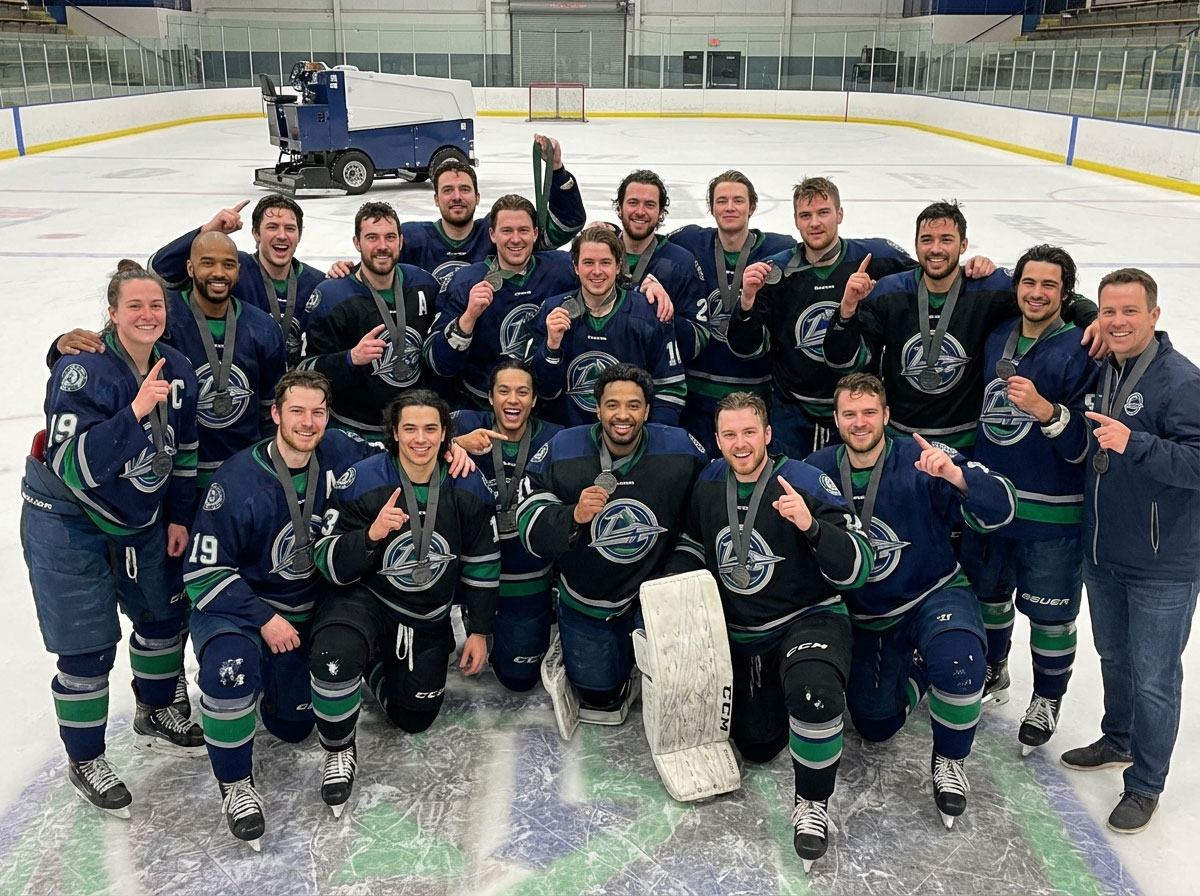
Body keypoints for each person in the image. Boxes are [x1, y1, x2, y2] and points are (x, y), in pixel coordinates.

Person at [20, 261, 203, 818]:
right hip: (67, 518)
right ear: (112, 312)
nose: (147, 315)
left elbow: (187, 452)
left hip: (140, 516)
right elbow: (73, 465)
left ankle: (156, 709)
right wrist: (138, 410)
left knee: (162, 618)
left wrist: (177, 517)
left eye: (156, 306)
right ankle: (85, 758)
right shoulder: (82, 370)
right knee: (86, 646)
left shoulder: (179, 368)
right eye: (135, 306)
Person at [667, 392, 872, 869]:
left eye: (749, 433)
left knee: (813, 693)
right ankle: (786, 698)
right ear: (717, 439)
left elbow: (859, 567)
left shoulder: (803, 480)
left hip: (809, 615)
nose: (740, 445)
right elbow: (695, 543)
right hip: (746, 634)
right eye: (730, 435)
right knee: (759, 747)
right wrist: (675, 583)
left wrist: (812, 527)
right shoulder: (708, 481)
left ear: (768, 435)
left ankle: (812, 804)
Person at [808, 373, 1016, 828]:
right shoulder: (817, 468)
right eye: (849, 414)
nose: (859, 423)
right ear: (836, 419)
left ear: (886, 415)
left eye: (868, 413)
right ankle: (919, 669)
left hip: (933, 593)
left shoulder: (921, 456)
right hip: (869, 617)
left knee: (959, 662)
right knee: (875, 725)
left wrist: (958, 477)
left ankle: (950, 761)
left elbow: (1003, 506)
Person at [184, 370, 374, 848]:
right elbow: (202, 572)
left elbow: (404, 448)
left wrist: (455, 445)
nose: (308, 423)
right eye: (297, 411)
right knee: (230, 670)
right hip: (241, 606)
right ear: (275, 415)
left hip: (308, 605)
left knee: (292, 726)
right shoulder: (235, 479)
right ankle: (235, 785)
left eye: (318, 412)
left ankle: (337, 746)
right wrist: (264, 620)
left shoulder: (341, 453)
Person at [308, 390, 499, 817]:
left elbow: (483, 562)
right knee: (333, 655)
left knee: (415, 718)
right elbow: (326, 562)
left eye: (431, 428)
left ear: (446, 434)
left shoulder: (467, 483)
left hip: (424, 613)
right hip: (366, 597)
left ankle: (375, 666)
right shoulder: (363, 479)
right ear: (393, 433)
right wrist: (370, 536)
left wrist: (480, 630)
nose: (420, 438)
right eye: (409, 428)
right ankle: (339, 748)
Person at [1060, 268, 1200, 834]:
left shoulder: (1181, 381)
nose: (1117, 322)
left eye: (1129, 312)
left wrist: (1135, 443)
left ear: (1155, 317)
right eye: (1108, 311)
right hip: (1104, 551)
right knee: (1114, 658)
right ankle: (1118, 739)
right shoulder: (1104, 366)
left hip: (1162, 565)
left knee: (1154, 676)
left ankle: (1145, 783)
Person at [959, 245, 1098, 755]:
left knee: (1050, 613)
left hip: (1052, 514)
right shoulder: (1000, 334)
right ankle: (995, 670)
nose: (1036, 294)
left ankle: (1047, 696)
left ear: (1066, 292)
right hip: (991, 504)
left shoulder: (1083, 349)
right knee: (990, 600)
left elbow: (1088, 440)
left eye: (1049, 285)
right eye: (1028, 283)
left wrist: (1046, 411)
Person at [517, 364, 707, 728]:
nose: (623, 415)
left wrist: (677, 572)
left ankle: (642, 644)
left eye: (634, 405)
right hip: (591, 594)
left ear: (647, 411)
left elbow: (708, 511)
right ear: (598, 408)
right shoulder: (563, 448)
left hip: (655, 589)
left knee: (678, 687)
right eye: (613, 405)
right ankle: (587, 654)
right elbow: (527, 518)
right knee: (599, 699)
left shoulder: (681, 448)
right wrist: (572, 515)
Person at [824, 201, 1096, 453]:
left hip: (965, 443)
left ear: (963, 245)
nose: (936, 249)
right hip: (901, 439)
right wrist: (847, 309)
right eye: (927, 240)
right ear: (916, 244)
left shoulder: (989, 288)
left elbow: (1043, 297)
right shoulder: (888, 292)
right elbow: (844, 360)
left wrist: (1092, 317)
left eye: (947, 239)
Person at [725, 176, 916, 456]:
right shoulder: (775, 272)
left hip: (857, 410)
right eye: (806, 215)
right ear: (796, 220)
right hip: (793, 409)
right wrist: (747, 300)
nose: (815, 223)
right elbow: (746, 349)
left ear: (839, 214)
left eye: (823, 213)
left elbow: (933, 278)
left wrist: (973, 269)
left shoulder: (879, 259)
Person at [450, 359, 562, 691]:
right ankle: (460, 615)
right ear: (489, 397)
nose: (513, 400)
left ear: (534, 400)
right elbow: (400, 452)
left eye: (522, 392)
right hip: (465, 567)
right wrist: (452, 446)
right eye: (504, 391)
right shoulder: (463, 425)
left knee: (519, 678)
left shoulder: (559, 440)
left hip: (526, 575)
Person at [667, 170, 796, 455]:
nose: (729, 207)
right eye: (721, 200)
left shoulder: (780, 249)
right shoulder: (689, 241)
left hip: (753, 398)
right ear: (711, 207)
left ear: (752, 207)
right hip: (696, 400)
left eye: (738, 200)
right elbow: (644, 245)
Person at [301, 201, 442, 439]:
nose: (382, 246)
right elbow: (304, 370)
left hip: (414, 431)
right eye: (372, 238)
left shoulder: (425, 284)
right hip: (353, 430)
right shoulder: (331, 296)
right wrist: (350, 358)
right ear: (357, 243)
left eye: (389, 237)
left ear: (401, 240)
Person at [424, 194, 577, 408]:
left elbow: (604, 274)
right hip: (482, 406)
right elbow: (438, 363)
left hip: (543, 406)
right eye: (506, 231)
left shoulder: (562, 270)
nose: (515, 239)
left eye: (523, 230)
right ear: (492, 235)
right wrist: (467, 318)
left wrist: (643, 283)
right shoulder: (466, 282)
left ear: (535, 234)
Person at [529, 226, 686, 427]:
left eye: (605, 262)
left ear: (618, 266)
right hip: (569, 438)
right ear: (576, 267)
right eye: (588, 263)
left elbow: (670, 388)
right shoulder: (552, 311)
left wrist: (652, 439)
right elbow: (542, 393)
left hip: (630, 437)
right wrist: (551, 347)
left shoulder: (647, 313)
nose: (596, 271)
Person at [145, 195, 324, 366]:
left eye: (290, 228)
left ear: (299, 236)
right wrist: (207, 231)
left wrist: (347, 272)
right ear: (256, 234)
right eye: (272, 227)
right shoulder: (230, 267)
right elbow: (159, 272)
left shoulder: (317, 281)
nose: (282, 235)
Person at [399, 135, 586, 287]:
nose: (457, 197)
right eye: (448, 190)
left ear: (477, 197)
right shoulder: (412, 238)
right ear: (436, 199)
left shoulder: (500, 231)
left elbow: (568, 223)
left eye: (465, 189)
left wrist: (556, 169)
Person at [610, 169, 709, 364]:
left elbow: (699, 339)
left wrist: (664, 315)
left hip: (656, 380)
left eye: (649, 205)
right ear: (619, 208)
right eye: (633, 202)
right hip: (602, 376)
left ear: (661, 212)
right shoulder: (598, 256)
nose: (640, 211)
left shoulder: (680, 263)